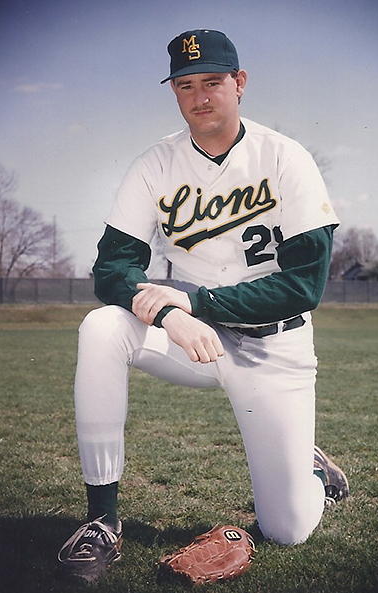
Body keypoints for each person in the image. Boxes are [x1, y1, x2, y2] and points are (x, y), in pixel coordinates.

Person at [57, 29, 349, 583]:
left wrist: (196, 302)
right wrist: (168, 315)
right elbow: (111, 269)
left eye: (213, 81)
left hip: (275, 345)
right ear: (174, 92)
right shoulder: (154, 165)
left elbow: (304, 284)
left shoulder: (286, 157)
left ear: (239, 84)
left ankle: (312, 471)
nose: (200, 96)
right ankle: (101, 523)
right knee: (101, 328)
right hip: (194, 340)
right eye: (185, 84)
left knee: (288, 528)